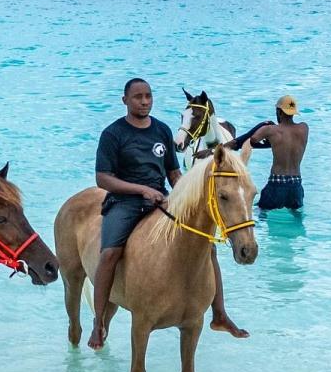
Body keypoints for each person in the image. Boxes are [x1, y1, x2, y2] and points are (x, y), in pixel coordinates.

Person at [90, 78, 247, 349]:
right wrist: (140, 190)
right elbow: (103, 178)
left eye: (148, 96)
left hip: (161, 200)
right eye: (138, 96)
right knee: (109, 253)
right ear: (125, 100)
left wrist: (186, 195)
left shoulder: (161, 130)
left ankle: (219, 314)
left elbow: (174, 173)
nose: (144, 101)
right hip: (124, 202)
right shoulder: (113, 134)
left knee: (206, 245)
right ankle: (99, 321)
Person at [230, 94, 308, 212]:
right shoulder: (304, 128)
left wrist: (266, 128)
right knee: (297, 219)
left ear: (279, 112)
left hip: (276, 184)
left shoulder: (270, 130)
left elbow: (253, 140)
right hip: (296, 185)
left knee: (260, 213)